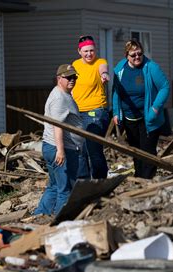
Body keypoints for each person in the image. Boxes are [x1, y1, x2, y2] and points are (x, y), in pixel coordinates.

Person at [112, 39, 170, 179]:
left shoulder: (151, 67)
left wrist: (155, 109)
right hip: (129, 118)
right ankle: (139, 179)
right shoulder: (120, 68)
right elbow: (116, 92)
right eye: (133, 55)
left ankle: (147, 181)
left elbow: (165, 87)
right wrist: (116, 112)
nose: (137, 57)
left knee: (147, 152)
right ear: (127, 56)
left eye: (140, 54)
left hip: (148, 118)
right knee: (135, 151)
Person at [34, 64, 85, 215]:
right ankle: (60, 220)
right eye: (68, 77)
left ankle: (39, 215)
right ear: (59, 78)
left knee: (55, 186)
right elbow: (57, 126)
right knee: (65, 188)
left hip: (57, 147)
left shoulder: (63, 94)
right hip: (60, 149)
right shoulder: (59, 98)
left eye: (74, 77)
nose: (72, 80)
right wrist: (61, 151)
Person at [72, 35, 110, 179]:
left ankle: (100, 181)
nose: (89, 54)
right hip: (77, 112)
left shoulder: (100, 62)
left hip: (96, 111)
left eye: (92, 50)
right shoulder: (75, 65)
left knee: (93, 148)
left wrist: (104, 74)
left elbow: (103, 69)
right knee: (80, 149)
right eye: (85, 51)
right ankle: (83, 182)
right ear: (79, 51)